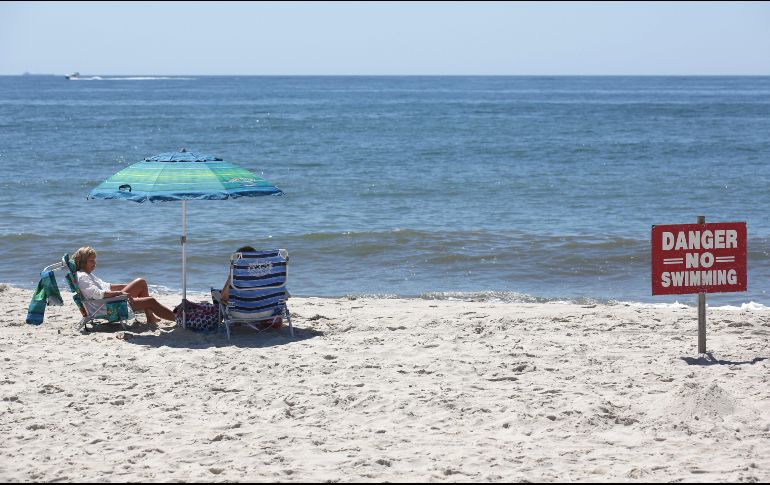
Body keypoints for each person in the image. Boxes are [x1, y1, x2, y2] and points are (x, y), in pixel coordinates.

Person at [72, 246, 175, 325]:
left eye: (95, 260)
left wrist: (128, 286)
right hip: (109, 307)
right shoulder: (83, 277)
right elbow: (97, 294)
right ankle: (178, 319)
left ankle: (150, 317)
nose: (94, 263)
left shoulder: (87, 274)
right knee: (150, 301)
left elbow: (106, 286)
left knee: (141, 283)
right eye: (91, 261)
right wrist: (120, 293)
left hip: (107, 302)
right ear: (82, 262)